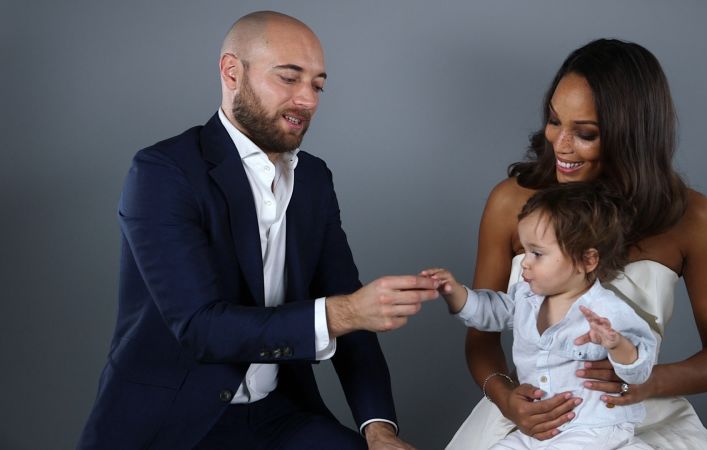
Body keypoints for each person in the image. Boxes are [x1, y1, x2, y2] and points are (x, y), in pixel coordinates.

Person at [77, 11, 439, 450]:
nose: (307, 100)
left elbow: (351, 308)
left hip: (278, 414)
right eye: (289, 78)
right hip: (175, 423)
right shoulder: (163, 172)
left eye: (318, 86)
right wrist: (344, 313)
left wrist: (379, 428)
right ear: (232, 71)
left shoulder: (313, 180)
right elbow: (201, 329)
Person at [446, 39, 707, 449]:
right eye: (554, 121)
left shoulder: (693, 218)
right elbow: (482, 336)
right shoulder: (511, 202)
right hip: (535, 415)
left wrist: (647, 381)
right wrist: (507, 399)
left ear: (631, 135)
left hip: (635, 416)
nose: (560, 144)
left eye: (585, 133)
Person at [426, 183, 657, 449]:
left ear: (587, 260)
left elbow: (640, 370)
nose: (525, 262)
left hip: (594, 427)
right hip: (538, 429)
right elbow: (489, 311)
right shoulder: (527, 297)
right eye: (525, 250)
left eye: (537, 253)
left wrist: (617, 345)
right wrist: (454, 292)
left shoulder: (607, 311)